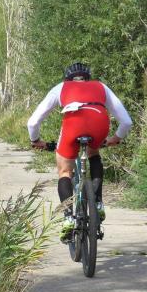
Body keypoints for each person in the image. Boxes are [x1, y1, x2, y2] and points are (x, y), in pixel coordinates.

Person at [27, 62, 132, 242]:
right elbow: (127, 122)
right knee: (94, 153)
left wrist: (36, 140)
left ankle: (68, 217)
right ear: (87, 78)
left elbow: (33, 122)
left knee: (65, 172)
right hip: (99, 123)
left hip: (73, 126)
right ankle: (98, 203)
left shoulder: (61, 87)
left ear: (68, 78)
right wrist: (116, 138)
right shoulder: (101, 87)